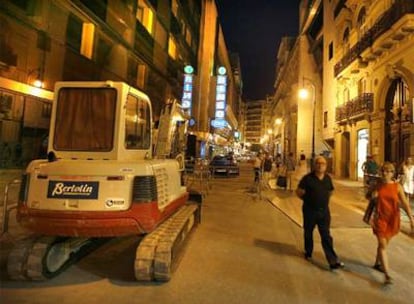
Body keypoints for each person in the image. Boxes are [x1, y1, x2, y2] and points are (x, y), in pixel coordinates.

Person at [368, 162, 414, 284]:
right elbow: (369, 197)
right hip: (380, 219)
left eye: (388, 171)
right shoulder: (377, 185)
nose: (385, 173)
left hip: (393, 219)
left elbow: (405, 203)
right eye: (383, 171)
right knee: (383, 245)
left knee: (383, 244)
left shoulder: (397, 187)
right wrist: (373, 196)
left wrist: (411, 219)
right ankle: (387, 274)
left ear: (393, 173)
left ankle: (377, 263)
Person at [296, 156, 344, 270]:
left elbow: (331, 191)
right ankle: (308, 252)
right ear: (314, 165)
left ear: (326, 166)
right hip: (309, 211)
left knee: (326, 235)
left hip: (324, 212)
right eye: (318, 163)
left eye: (323, 163)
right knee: (308, 232)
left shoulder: (327, 178)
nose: (320, 165)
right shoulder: (307, 178)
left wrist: (323, 200)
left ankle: (332, 260)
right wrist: (308, 200)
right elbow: (299, 192)